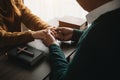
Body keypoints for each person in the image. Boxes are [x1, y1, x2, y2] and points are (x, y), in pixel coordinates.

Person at [41, 0, 120, 80]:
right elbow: (106, 41)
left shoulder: (100, 31)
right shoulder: (112, 19)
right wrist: (76, 34)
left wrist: (54, 46)